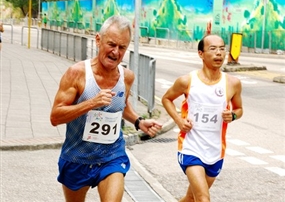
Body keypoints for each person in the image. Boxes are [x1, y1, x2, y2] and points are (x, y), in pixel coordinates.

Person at [50, 15, 162, 202]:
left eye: (122, 47)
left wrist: (138, 121)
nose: (116, 52)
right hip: (77, 157)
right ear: (98, 40)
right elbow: (55, 117)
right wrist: (91, 103)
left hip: (111, 156)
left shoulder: (126, 77)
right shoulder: (77, 73)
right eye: (111, 44)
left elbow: (121, 105)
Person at [161, 34, 243, 202]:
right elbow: (166, 99)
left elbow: (239, 109)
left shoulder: (232, 83)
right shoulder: (187, 81)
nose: (219, 53)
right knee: (203, 198)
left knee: (190, 198)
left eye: (222, 49)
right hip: (191, 148)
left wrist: (233, 115)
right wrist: (179, 120)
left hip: (215, 151)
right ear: (201, 54)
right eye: (213, 49)